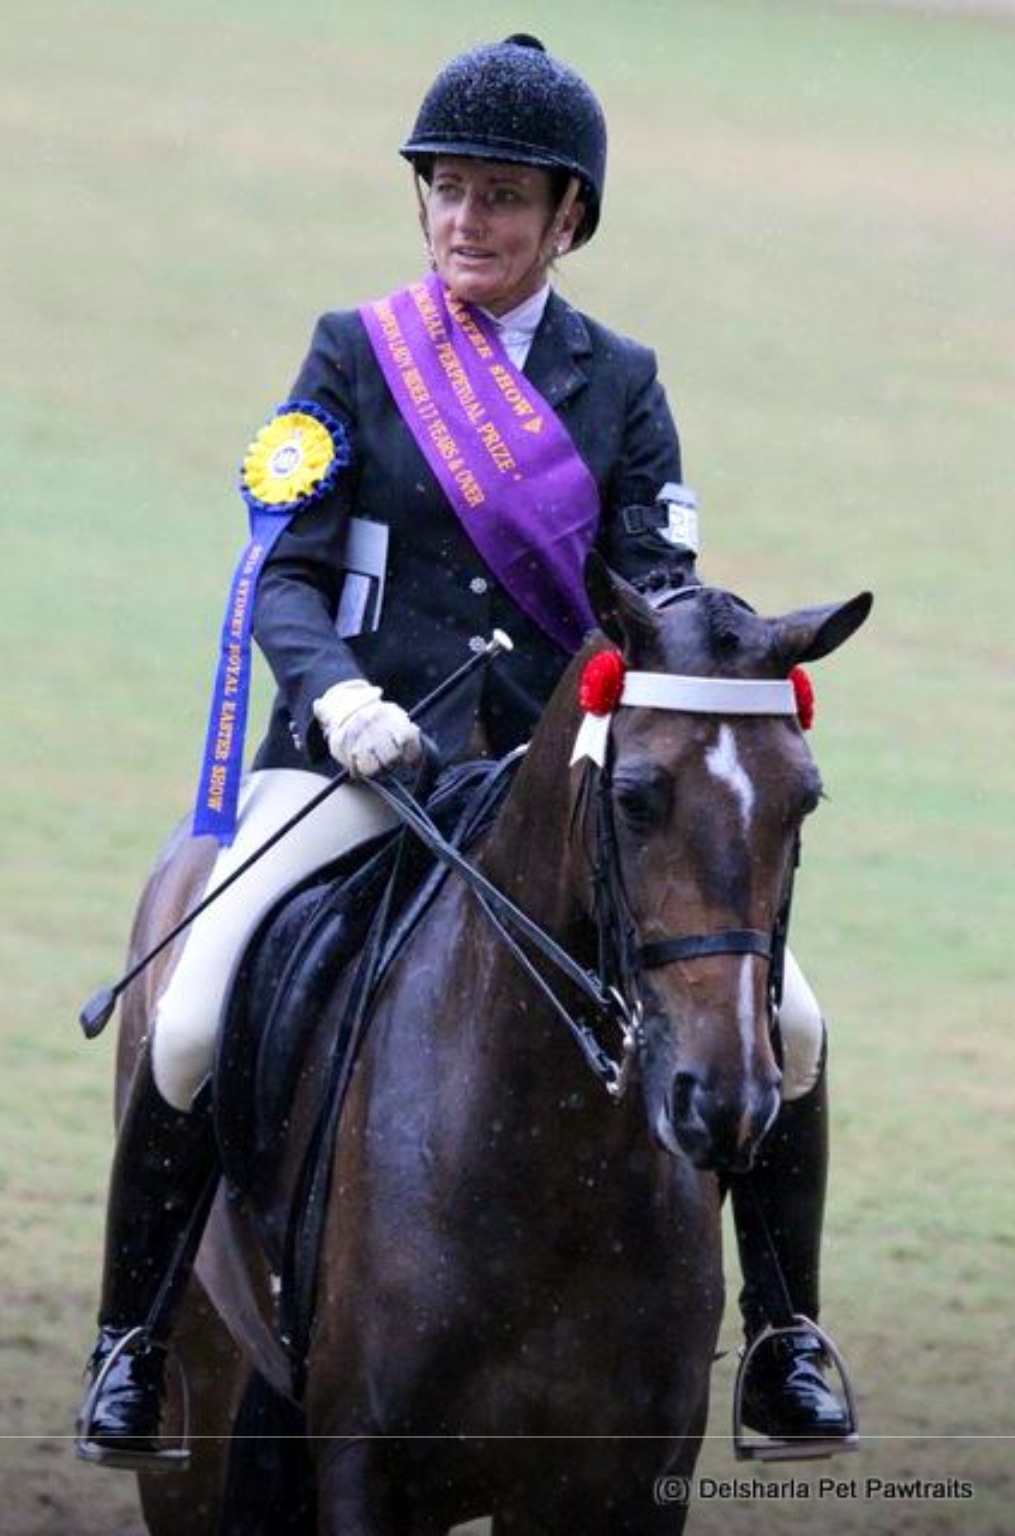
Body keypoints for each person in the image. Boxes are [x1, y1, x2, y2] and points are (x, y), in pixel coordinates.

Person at [76, 33, 849, 1471]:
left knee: (788, 1023)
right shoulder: (355, 354)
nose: (463, 220)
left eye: (500, 196)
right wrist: (342, 694)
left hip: (556, 782)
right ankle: (132, 1341)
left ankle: (790, 1339)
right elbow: (288, 577)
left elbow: (651, 598)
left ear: (568, 218)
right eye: (445, 189)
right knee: (189, 1012)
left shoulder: (621, 382)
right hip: (357, 765)